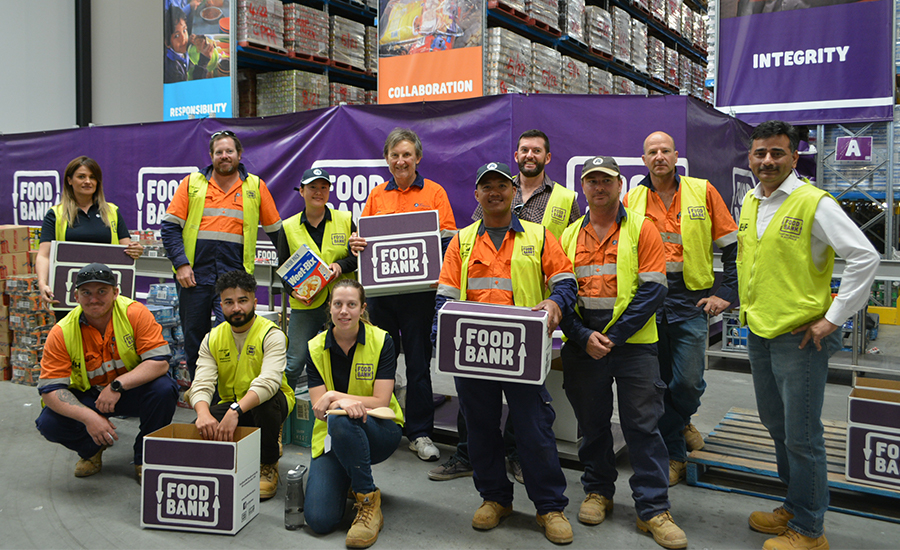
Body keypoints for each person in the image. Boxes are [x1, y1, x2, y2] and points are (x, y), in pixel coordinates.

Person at [738, 120, 878, 550]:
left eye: (777, 153)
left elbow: (864, 256)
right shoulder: (749, 200)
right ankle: (795, 505)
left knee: (802, 434)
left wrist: (833, 318)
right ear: (751, 157)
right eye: (760, 153)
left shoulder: (814, 203)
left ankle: (810, 529)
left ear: (794, 157)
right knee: (776, 425)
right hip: (760, 330)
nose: (767, 161)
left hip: (801, 339)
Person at [434, 162, 577, 544]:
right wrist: (441, 336)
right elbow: (445, 299)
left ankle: (549, 506)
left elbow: (565, 282)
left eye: (502, 185)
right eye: (487, 187)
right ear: (477, 196)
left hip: (523, 354)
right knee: (480, 430)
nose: (494, 192)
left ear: (514, 192)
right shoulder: (461, 241)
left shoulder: (541, 236)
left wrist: (554, 302)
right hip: (473, 354)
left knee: (534, 430)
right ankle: (495, 498)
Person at [559, 157, 687, 549]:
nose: (599, 187)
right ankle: (598, 491)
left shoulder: (642, 229)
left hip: (634, 347)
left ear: (620, 186)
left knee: (643, 428)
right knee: (592, 424)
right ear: (584, 188)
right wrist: (582, 336)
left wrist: (610, 337)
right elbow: (560, 296)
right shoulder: (567, 236)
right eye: (592, 181)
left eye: (607, 181)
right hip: (584, 347)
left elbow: (654, 290)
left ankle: (653, 509)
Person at [624, 131, 738, 485]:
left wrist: (728, 292)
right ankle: (674, 452)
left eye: (665, 151)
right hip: (650, 299)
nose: (659, 156)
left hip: (691, 300)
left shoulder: (702, 192)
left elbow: (733, 246)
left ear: (676, 156)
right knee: (657, 383)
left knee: (687, 382)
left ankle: (683, 416)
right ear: (644, 160)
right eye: (652, 152)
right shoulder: (631, 198)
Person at [349, 127, 457, 462]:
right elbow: (362, 239)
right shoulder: (376, 195)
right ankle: (373, 424)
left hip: (418, 298)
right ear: (387, 159)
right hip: (381, 296)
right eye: (395, 155)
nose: (400, 161)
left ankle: (420, 433)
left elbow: (449, 239)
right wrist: (356, 244)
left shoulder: (435, 192)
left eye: (407, 155)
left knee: (418, 365)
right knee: (375, 362)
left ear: (417, 158)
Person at [161, 129, 285, 380]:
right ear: (211, 156)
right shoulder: (192, 183)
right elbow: (170, 227)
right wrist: (182, 264)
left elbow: (277, 233)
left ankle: (229, 396)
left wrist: (295, 271)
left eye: (229, 151)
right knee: (194, 337)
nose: (224, 156)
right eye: (219, 152)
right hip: (194, 276)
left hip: (234, 279)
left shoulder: (255, 186)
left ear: (239, 155)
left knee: (233, 336)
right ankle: (202, 395)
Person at [35, 263, 176, 481]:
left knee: (164, 389)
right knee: (49, 423)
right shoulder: (62, 332)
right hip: (89, 397)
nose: (94, 299)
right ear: (76, 296)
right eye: (86, 292)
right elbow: (50, 390)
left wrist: (117, 385)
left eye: (102, 291)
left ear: (116, 292)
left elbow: (159, 362)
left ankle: (146, 457)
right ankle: (92, 451)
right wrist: (90, 417)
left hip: (129, 391)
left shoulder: (134, 313)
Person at [304, 279, 404, 548]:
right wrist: (336, 406)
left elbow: (381, 400)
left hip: (380, 429)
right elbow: (319, 412)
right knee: (319, 520)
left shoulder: (382, 341)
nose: (344, 311)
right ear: (330, 308)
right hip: (333, 434)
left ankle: (368, 500)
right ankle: (349, 470)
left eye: (351, 305)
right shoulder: (315, 347)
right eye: (338, 304)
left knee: (340, 416)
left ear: (362, 308)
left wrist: (337, 397)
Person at [188, 270, 295, 500]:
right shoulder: (213, 338)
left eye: (243, 301)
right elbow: (202, 382)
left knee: (266, 406)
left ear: (254, 302)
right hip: (231, 404)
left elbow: (269, 382)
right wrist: (203, 414)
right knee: (196, 428)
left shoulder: (271, 334)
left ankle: (268, 462)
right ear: (221, 305)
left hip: (270, 402)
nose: (236, 308)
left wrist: (236, 411)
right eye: (229, 302)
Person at [276, 168, 357, 390]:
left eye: (323, 187)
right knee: (294, 363)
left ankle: (343, 410)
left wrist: (341, 265)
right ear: (301, 191)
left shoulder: (346, 219)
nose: (318, 192)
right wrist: (294, 292)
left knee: (344, 360)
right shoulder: (288, 226)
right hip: (306, 303)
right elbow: (282, 269)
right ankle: (284, 412)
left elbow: (358, 258)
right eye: (312, 187)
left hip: (342, 303)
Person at [37, 156, 144, 321]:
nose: (88, 181)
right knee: (73, 343)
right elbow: (44, 254)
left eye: (92, 177)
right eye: (81, 177)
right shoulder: (55, 214)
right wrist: (43, 284)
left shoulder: (112, 212)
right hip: (69, 296)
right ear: (69, 181)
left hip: (106, 296)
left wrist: (136, 249)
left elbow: (126, 247)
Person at [164, 6, 214, 83]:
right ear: (167, 42)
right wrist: (203, 62)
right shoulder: (172, 70)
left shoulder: (179, 48)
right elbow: (193, 89)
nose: (183, 38)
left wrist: (193, 41)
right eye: (176, 36)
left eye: (184, 30)